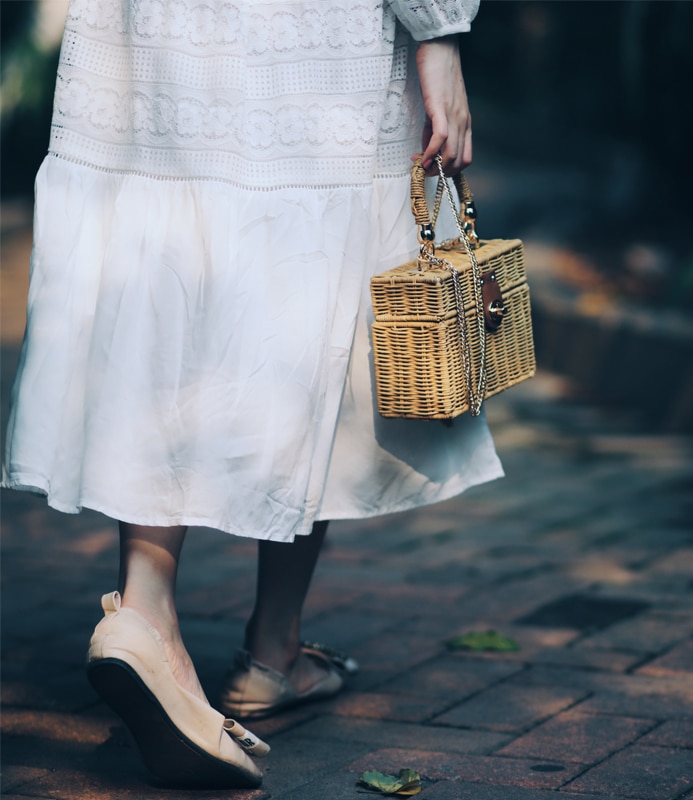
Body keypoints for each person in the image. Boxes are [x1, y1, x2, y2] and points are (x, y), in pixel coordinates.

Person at [2, 0, 502, 789]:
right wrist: (438, 32)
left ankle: (146, 609)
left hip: (156, 32)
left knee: (162, 278)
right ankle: (272, 649)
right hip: (313, 35)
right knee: (314, 291)